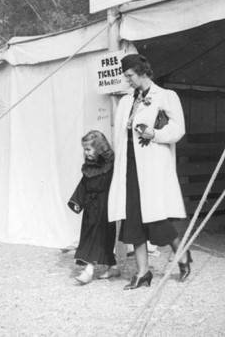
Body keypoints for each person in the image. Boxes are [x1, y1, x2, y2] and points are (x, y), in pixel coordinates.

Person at [108, 54, 192, 290]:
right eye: (126, 77)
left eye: (130, 76)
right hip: (129, 167)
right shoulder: (125, 102)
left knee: (157, 218)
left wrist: (155, 134)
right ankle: (143, 273)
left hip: (153, 167)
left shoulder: (166, 96)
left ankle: (183, 256)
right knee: (133, 220)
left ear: (142, 71)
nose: (128, 81)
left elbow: (178, 129)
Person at [68, 130, 119, 284]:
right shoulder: (89, 166)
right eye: (84, 149)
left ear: (99, 147)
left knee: (99, 236)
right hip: (91, 207)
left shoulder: (110, 164)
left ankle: (88, 271)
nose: (85, 152)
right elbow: (84, 184)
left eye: (88, 149)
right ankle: (113, 267)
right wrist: (77, 201)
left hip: (105, 206)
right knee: (92, 235)